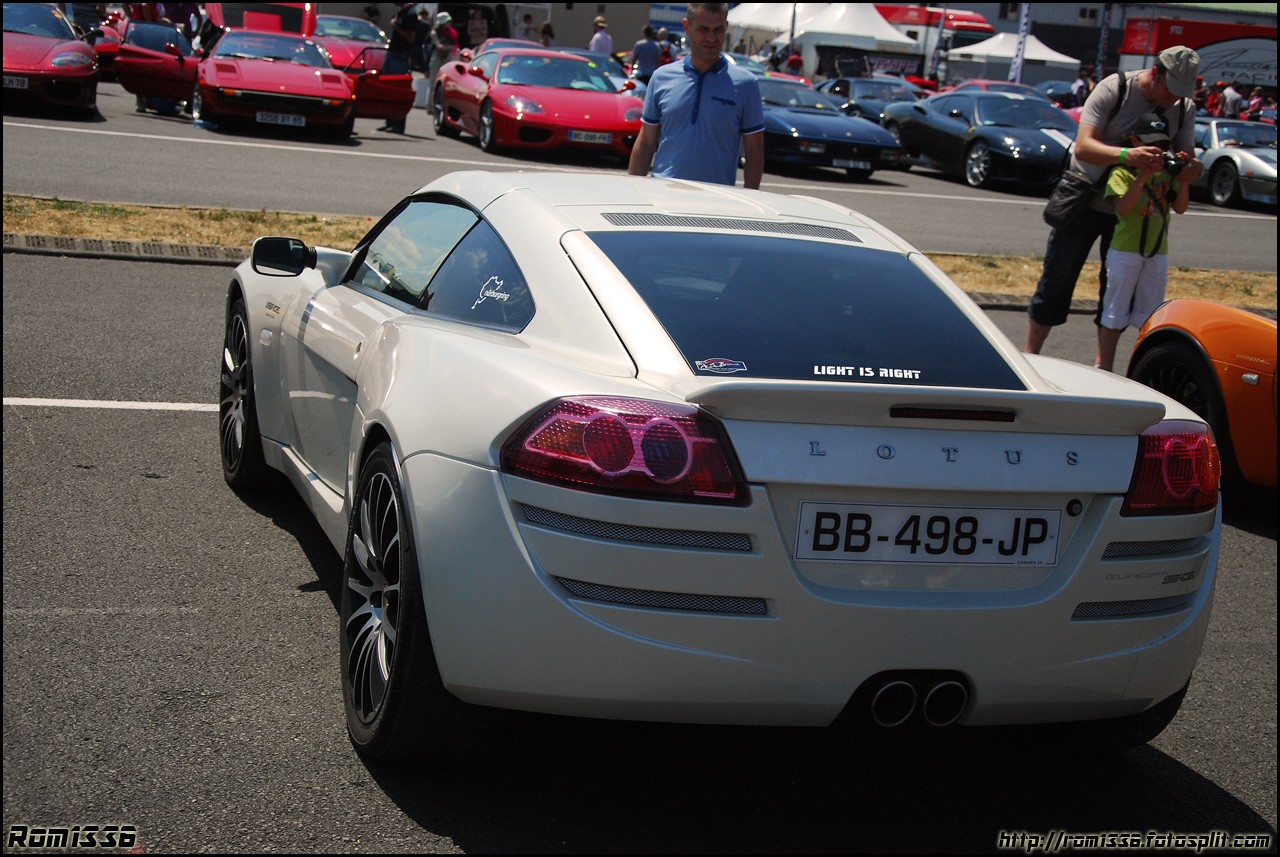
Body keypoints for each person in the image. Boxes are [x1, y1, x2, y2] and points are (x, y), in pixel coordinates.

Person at [1025, 45, 1202, 355]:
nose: (1173, 99)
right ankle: (1030, 357)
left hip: (1132, 211)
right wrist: (1126, 155)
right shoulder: (1115, 87)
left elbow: (1190, 160)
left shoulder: (1184, 106)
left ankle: (1103, 365)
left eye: (1181, 92)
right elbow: (1083, 147)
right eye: (1170, 90)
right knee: (1058, 279)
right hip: (1085, 200)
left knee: (1117, 291)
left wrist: (1189, 167)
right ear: (1156, 73)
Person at [628, 3, 765, 189]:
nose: (711, 37)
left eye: (717, 30)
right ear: (687, 27)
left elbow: (754, 151)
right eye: (703, 29)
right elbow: (645, 143)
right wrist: (634, 193)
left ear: (725, 27)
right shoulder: (661, 78)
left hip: (717, 204)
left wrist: (750, 204)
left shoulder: (746, 84)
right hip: (662, 197)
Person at [1094, 113, 1192, 372]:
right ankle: (1104, 367)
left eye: (1160, 145)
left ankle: (1142, 369)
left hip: (1157, 250)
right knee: (1114, 313)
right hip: (1125, 250)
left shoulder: (1168, 173)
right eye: (1150, 144)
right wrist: (1143, 176)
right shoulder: (1121, 172)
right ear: (1134, 140)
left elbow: (1181, 207)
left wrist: (1182, 178)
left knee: (1150, 316)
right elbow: (1123, 208)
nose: (1156, 151)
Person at [377, 3, 419, 133]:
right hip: (392, 53)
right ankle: (389, 121)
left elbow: (411, 38)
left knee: (398, 89)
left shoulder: (411, 14)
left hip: (401, 56)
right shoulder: (400, 12)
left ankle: (398, 124)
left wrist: (395, 26)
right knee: (387, 89)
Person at [426, 11, 457, 110]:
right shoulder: (434, 32)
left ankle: (439, 106)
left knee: (443, 83)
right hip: (436, 58)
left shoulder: (450, 33)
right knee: (433, 83)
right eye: (447, 21)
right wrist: (450, 47)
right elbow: (439, 46)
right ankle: (430, 105)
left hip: (446, 58)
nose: (448, 23)